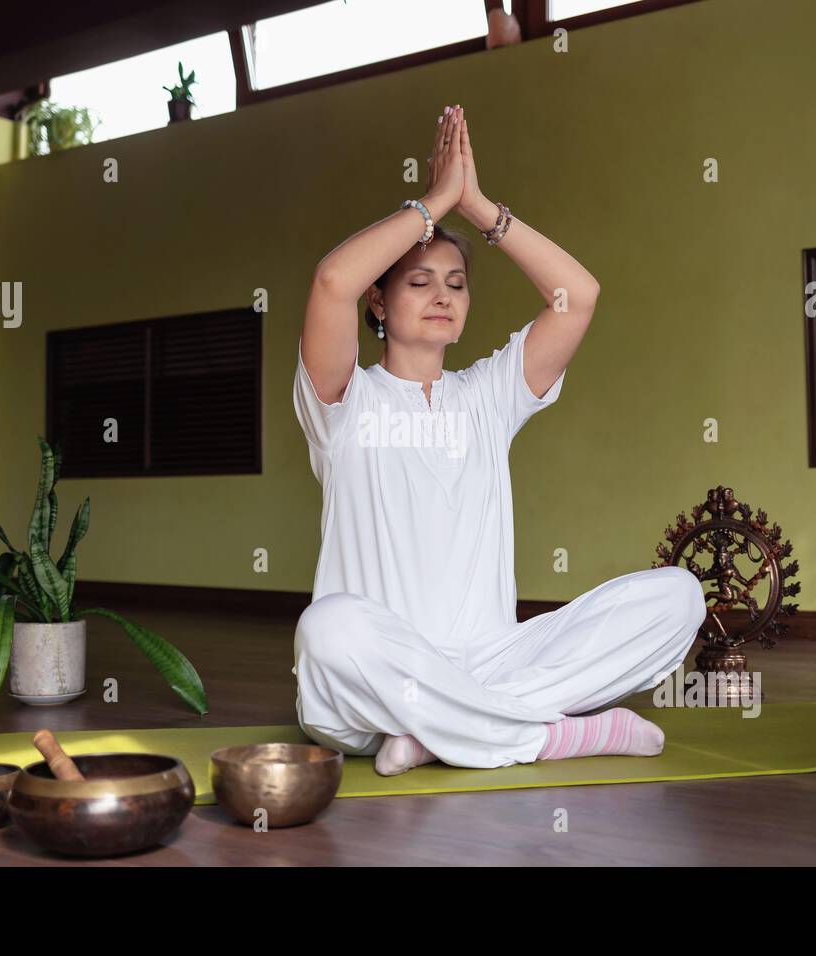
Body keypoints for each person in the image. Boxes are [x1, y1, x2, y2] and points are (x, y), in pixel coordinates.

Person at [292, 104, 706, 776]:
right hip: (378, 677)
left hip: (490, 658)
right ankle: (548, 736)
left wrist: (479, 208)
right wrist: (434, 204)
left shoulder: (487, 394)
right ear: (379, 303)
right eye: (418, 281)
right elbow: (331, 282)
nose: (442, 295)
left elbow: (579, 293)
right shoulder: (344, 401)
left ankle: (440, 731)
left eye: (456, 283)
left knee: (680, 597)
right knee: (326, 630)